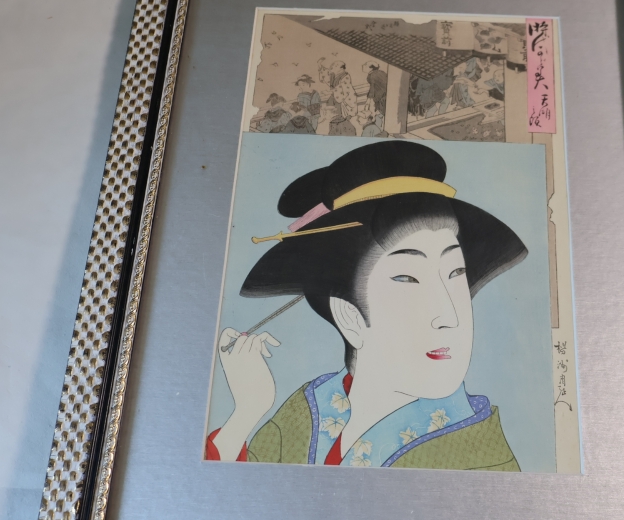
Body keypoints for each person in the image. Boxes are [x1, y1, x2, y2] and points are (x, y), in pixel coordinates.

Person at [206, 141, 527, 470]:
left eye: (456, 272)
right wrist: (247, 411)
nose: (449, 316)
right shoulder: (306, 413)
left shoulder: (480, 459)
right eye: (408, 278)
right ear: (349, 316)